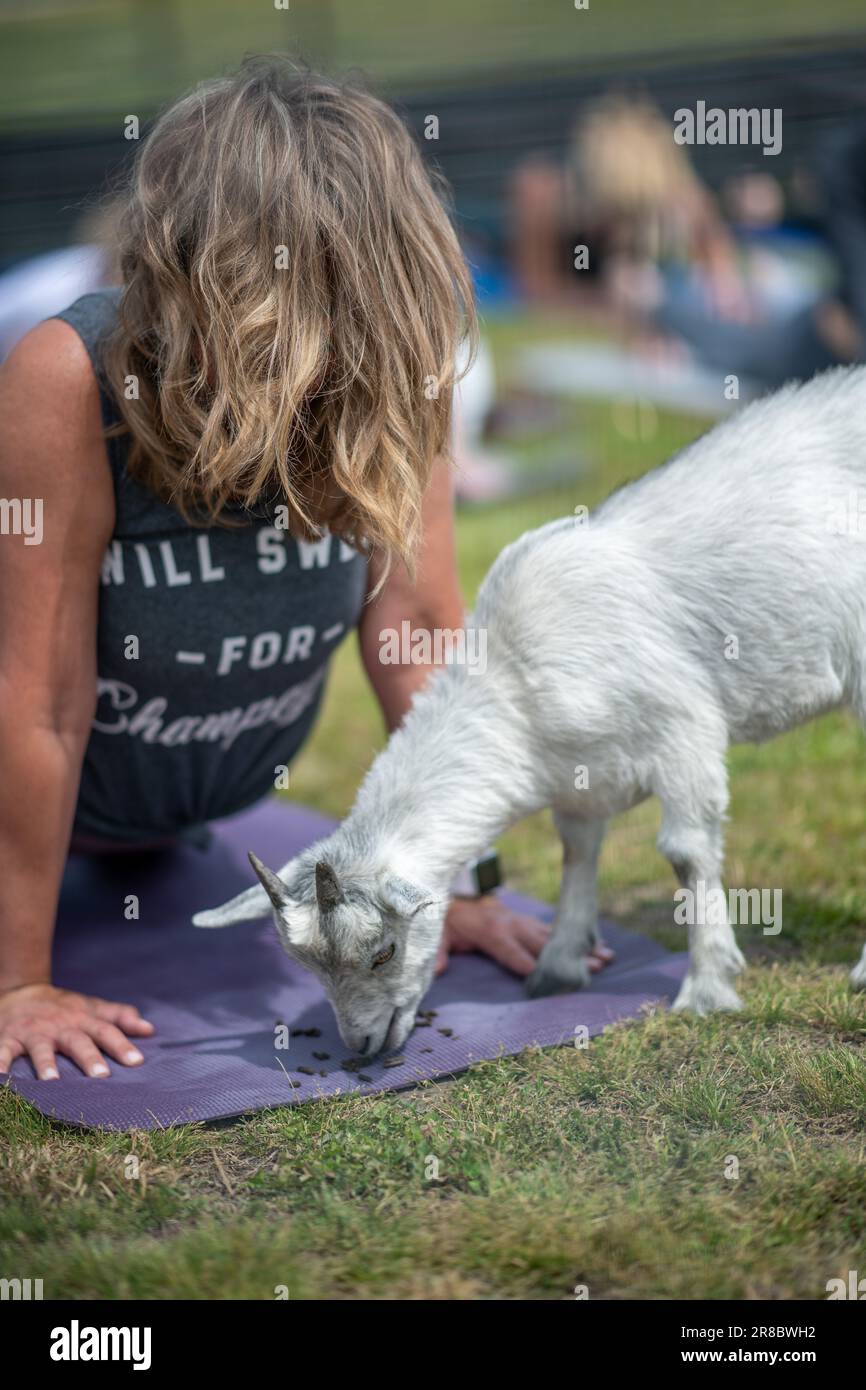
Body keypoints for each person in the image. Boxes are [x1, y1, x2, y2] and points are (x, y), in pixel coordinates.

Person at [0, 57, 612, 1083]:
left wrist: (454, 887)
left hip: (171, 822)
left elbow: (418, 640)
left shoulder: (392, 369)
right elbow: (39, 702)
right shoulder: (71, 382)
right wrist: (16, 980)